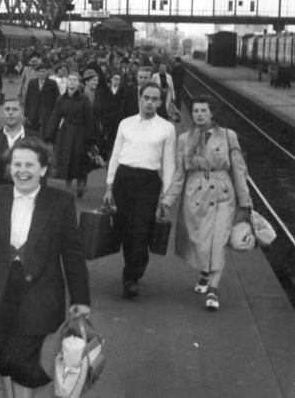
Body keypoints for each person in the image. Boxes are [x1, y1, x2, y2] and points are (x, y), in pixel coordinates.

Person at [0, 139, 91, 398]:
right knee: (3, 356)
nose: (23, 170)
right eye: (17, 164)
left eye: (30, 164)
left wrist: (80, 298)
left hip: (40, 294)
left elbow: (73, 255)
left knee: (22, 357)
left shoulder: (61, 202)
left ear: (43, 169)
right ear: (9, 168)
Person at [159, 96, 252, 310]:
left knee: (218, 241)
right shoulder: (184, 139)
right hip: (195, 193)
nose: (199, 114)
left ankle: (213, 290)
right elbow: (180, 174)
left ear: (212, 113)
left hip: (223, 194)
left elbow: (239, 170)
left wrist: (245, 202)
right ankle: (204, 273)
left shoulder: (229, 136)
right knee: (200, 239)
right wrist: (167, 201)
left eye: (203, 111)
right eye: (195, 111)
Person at [104, 82, 176, 300]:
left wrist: (166, 194)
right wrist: (109, 186)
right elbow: (115, 155)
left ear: (160, 102)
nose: (150, 102)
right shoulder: (125, 124)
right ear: (139, 98)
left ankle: (132, 276)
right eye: (146, 97)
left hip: (149, 181)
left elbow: (169, 162)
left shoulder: (167, 128)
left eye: (155, 99)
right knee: (125, 228)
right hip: (124, 178)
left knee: (142, 228)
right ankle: (130, 270)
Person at [0, 96, 42, 223]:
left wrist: (41, 197)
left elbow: (41, 169)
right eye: (7, 109)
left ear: (22, 113)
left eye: (15, 109)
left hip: (26, 196)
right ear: (2, 113)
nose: (10, 112)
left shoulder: (34, 138)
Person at [45, 72, 95, 198]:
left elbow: (89, 119)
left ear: (79, 83)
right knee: (66, 159)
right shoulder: (61, 99)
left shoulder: (84, 99)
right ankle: (67, 189)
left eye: (74, 80)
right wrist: (50, 134)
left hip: (80, 133)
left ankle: (80, 183)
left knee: (79, 159)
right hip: (66, 132)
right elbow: (55, 116)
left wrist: (90, 138)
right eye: (70, 79)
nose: (72, 82)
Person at [23, 63, 59, 133]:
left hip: (47, 110)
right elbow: (28, 99)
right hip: (34, 110)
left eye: (43, 71)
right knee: (33, 129)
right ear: (37, 73)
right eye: (40, 72)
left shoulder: (52, 83)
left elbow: (57, 98)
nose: (41, 74)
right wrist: (26, 114)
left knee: (46, 128)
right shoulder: (32, 83)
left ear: (46, 72)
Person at [102, 71, 125, 155]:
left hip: (117, 118)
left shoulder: (122, 91)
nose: (116, 81)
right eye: (115, 79)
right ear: (111, 79)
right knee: (108, 137)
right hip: (107, 117)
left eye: (118, 79)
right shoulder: (106, 90)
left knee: (116, 136)